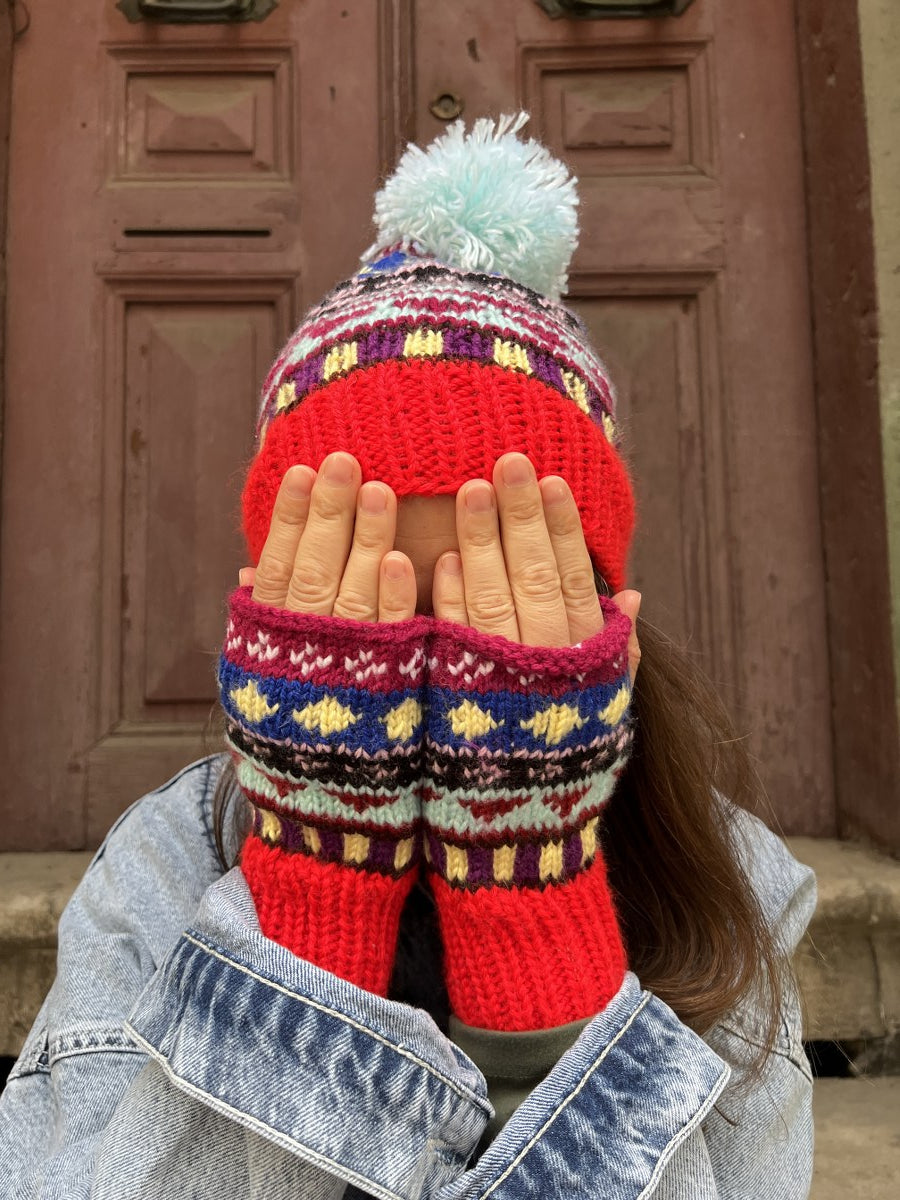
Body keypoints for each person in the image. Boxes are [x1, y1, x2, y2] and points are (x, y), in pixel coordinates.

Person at [0, 114, 816, 1199]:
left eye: (488, 615)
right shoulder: (160, 874)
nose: (430, 692)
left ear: (598, 619)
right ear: (275, 617)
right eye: (360, 619)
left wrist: (536, 923)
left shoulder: (728, 888)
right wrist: (314, 904)